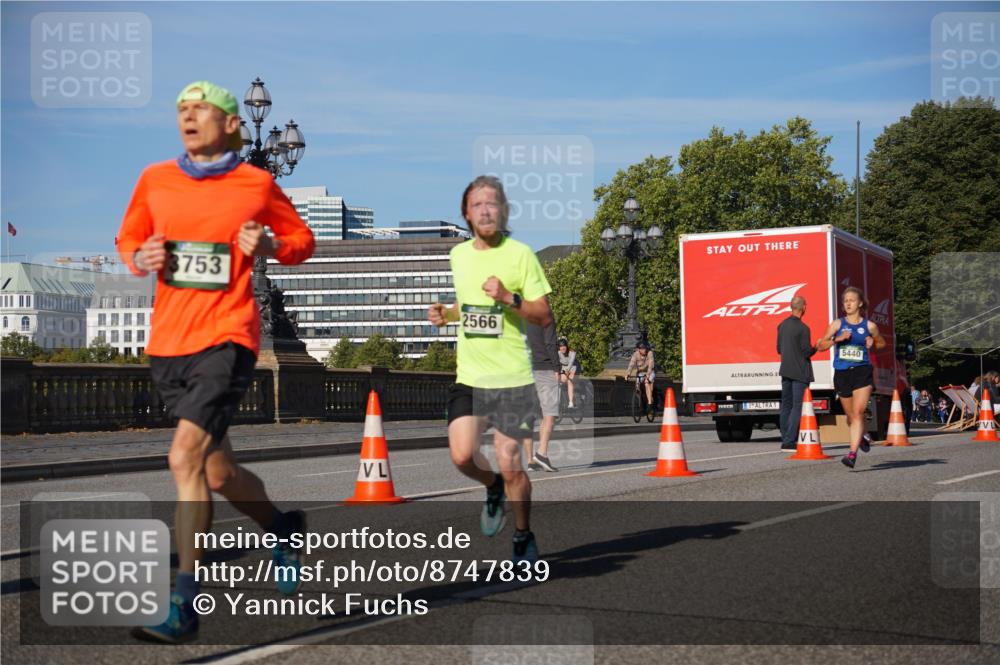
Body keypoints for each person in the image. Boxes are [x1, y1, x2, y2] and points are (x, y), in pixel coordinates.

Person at [117, 81, 315, 643]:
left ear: (232, 123)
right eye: (181, 109)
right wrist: (141, 255)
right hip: (169, 343)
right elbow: (128, 239)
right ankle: (282, 526)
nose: (188, 116)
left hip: (228, 339)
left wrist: (271, 247)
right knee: (217, 472)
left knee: (183, 459)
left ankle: (182, 604)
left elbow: (303, 240)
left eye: (200, 109)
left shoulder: (256, 181)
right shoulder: (155, 180)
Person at [427, 175, 553, 563]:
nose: (485, 209)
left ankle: (522, 535)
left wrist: (508, 296)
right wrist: (445, 314)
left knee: (511, 461)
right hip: (471, 377)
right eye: (477, 204)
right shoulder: (458, 256)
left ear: (503, 211)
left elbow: (543, 316)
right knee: (462, 456)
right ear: (466, 213)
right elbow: (468, 307)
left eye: (492, 203)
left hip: (512, 378)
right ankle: (492, 486)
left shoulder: (521, 255)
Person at [816, 287, 886, 469]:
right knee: (850, 417)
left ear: (860, 303)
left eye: (852, 300)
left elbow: (881, 342)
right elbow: (820, 345)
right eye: (845, 301)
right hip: (842, 373)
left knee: (858, 413)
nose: (848, 303)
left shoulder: (869, 326)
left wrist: (873, 342)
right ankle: (862, 436)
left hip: (862, 372)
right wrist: (836, 340)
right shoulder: (837, 324)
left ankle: (852, 454)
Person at [776, 296, 816, 451]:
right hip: (800, 372)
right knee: (797, 406)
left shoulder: (782, 325)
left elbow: (779, 349)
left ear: (791, 307)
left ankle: (785, 436)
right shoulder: (803, 328)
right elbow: (806, 351)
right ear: (804, 307)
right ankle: (789, 441)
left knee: (786, 405)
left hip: (785, 370)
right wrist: (816, 347)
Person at [524, 322, 560, 473]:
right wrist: (557, 368)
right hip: (544, 368)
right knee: (549, 414)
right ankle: (542, 454)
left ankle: (530, 461)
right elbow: (550, 344)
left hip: (524, 368)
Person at [626, 341, 656, 414]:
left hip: (650, 372)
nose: (644, 350)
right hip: (640, 372)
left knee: (646, 383)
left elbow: (651, 365)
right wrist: (628, 374)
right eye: (642, 349)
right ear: (638, 349)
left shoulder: (650, 353)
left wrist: (648, 375)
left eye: (645, 348)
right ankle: (640, 403)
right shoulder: (635, 354)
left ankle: (649, 403)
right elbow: (631, 364)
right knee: (637, 386)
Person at [557, 338, 579, 409]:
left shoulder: (572, 352)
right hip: (564, 367)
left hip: (574, 367)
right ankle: (558, 402)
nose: (562, 348)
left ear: (567, 346)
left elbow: (571, 362)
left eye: (564, 346)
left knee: (570, 381)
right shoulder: (558, 353)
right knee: (559, 381)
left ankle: (571, 402)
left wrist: (567, 371)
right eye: (560, 346)